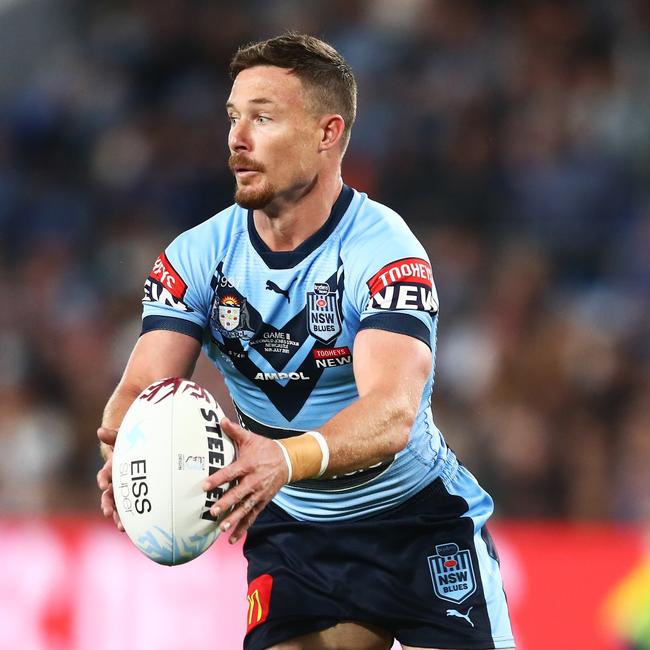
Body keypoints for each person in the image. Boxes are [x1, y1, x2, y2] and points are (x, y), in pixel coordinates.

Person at [96, 33, 515, 650]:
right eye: (233, 117)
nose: (237, 138)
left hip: (417, 524)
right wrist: (124, 447)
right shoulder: (195, 259)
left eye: (263, 118)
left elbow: (391, 414)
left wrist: (283, 459)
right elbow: (141, 386)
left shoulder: (384, 253)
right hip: (296, 531)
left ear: (327, 133)